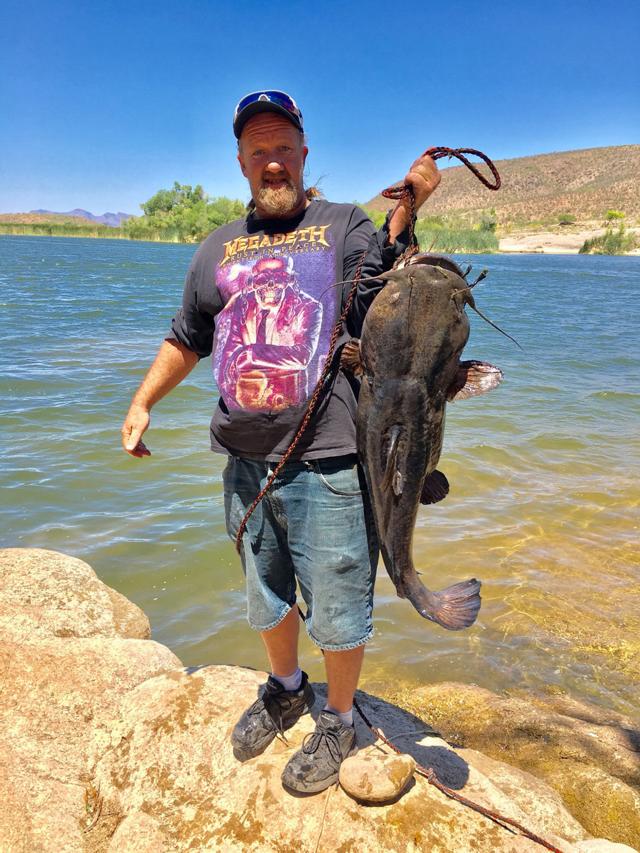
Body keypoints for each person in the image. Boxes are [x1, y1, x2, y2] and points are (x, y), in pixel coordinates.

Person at [121, 90, 440, 794]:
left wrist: (411, 205)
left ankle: (340, 714)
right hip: (244, 461)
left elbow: (386, 287)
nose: (272, 162)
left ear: (304, 153)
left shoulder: (342, 226)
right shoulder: (216, 247)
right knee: (265, 596)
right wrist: (143, 400)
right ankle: (287, 685)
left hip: (328, 460)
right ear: (241, 162)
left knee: (339, 603)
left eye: (282, 147)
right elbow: (187, 336)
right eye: (257, 150)